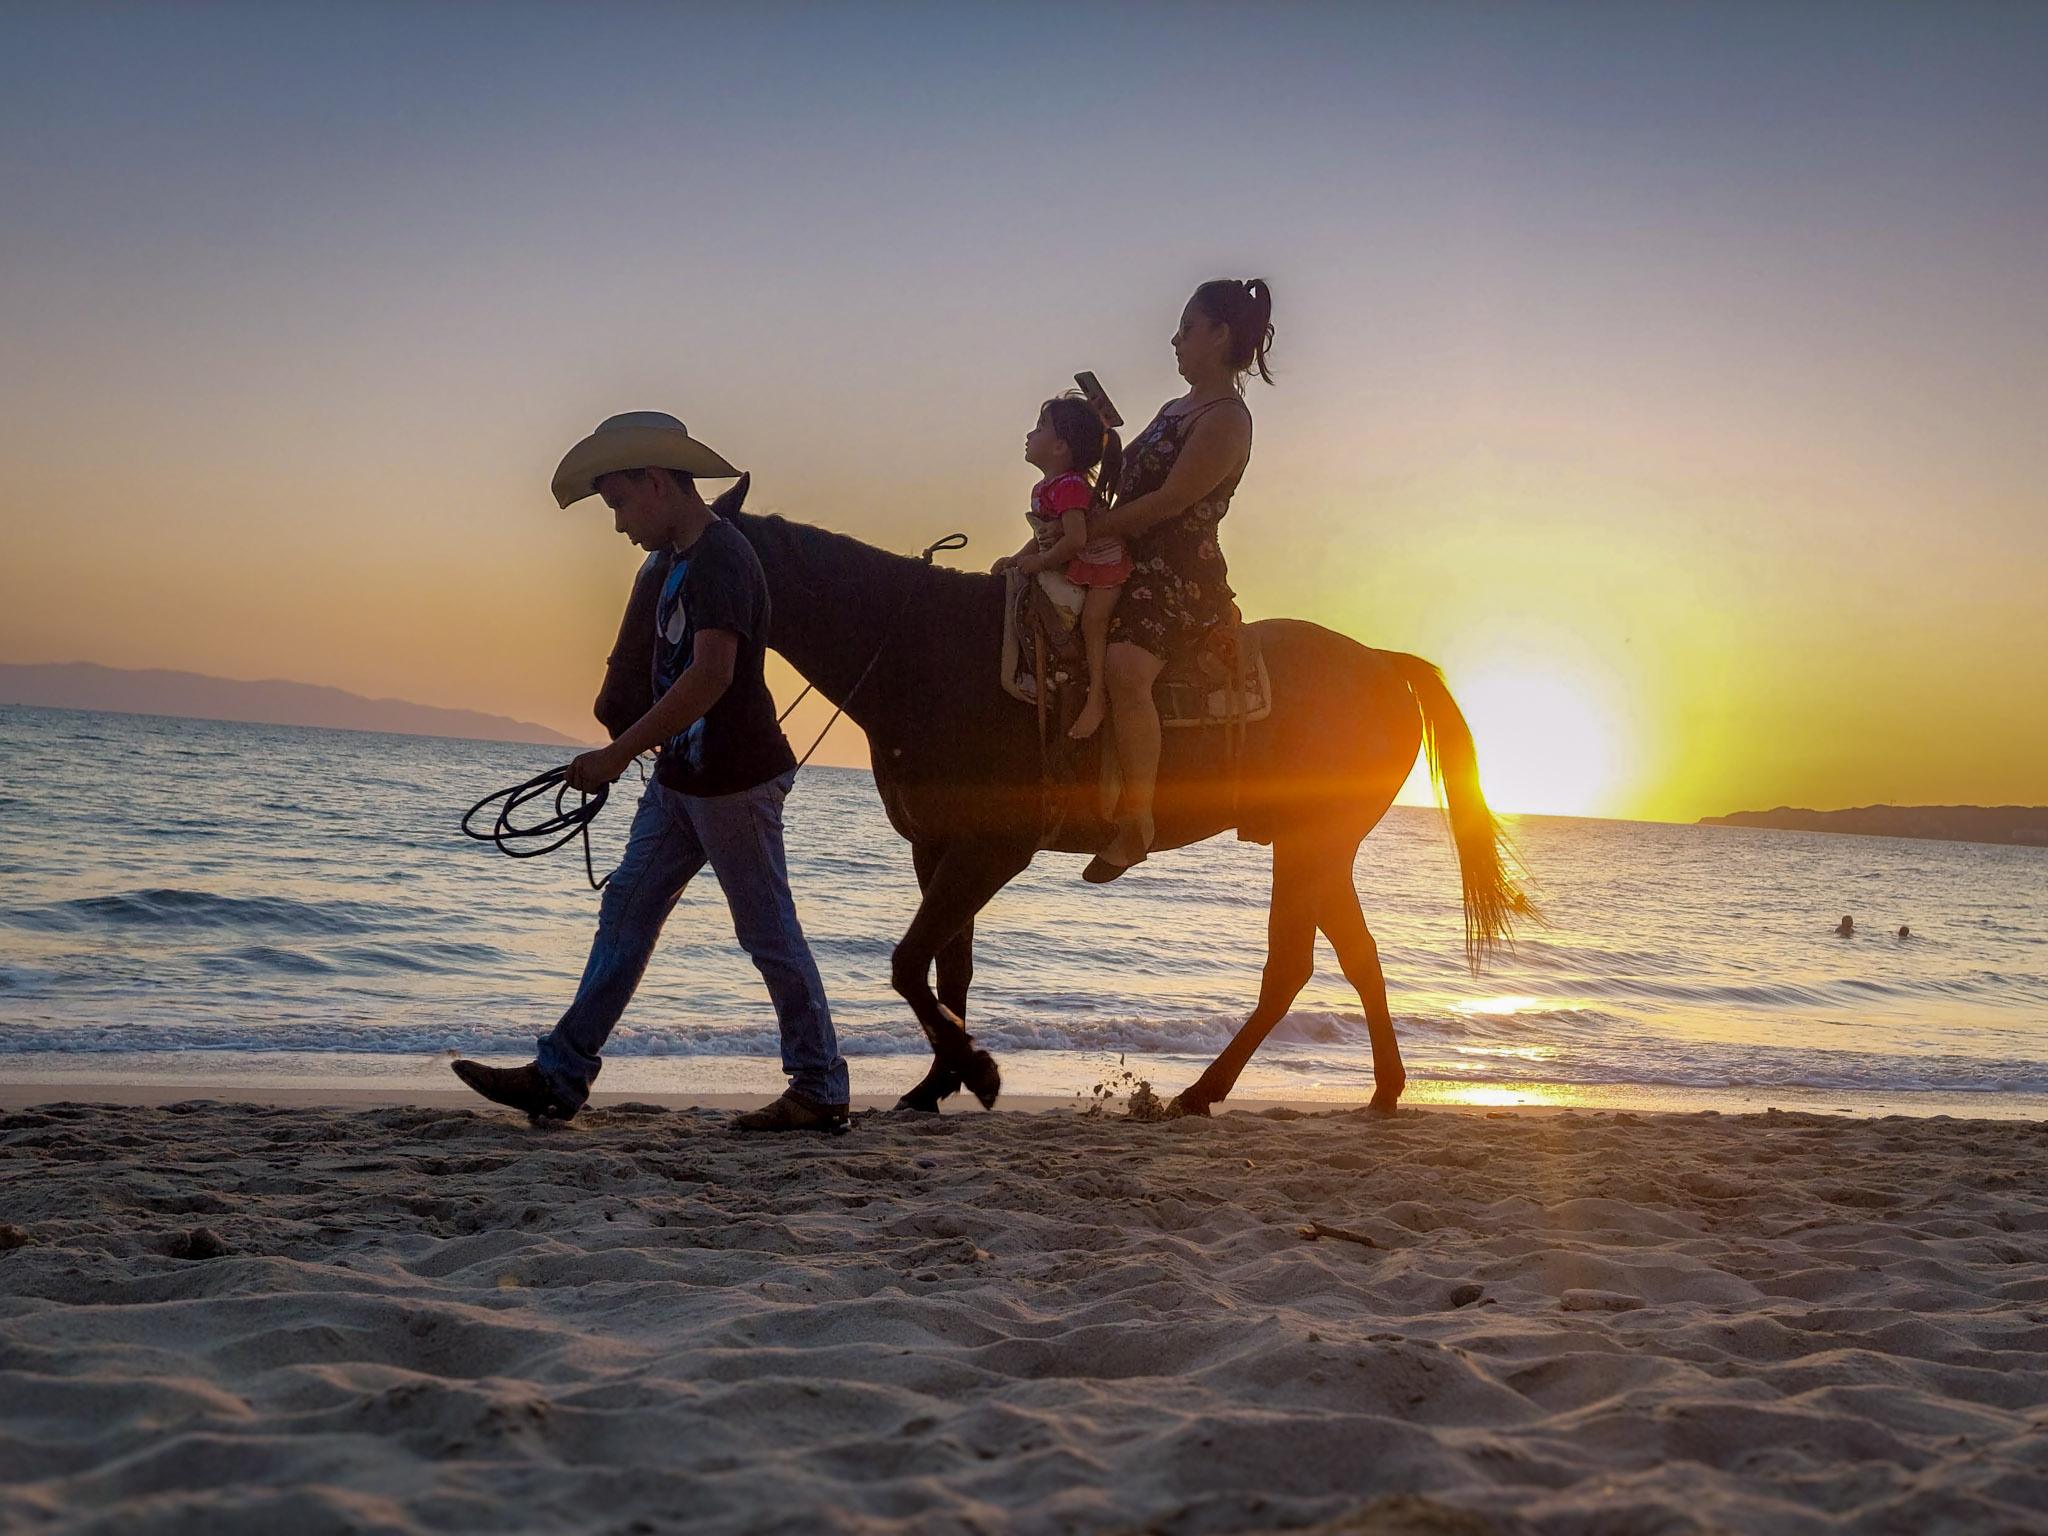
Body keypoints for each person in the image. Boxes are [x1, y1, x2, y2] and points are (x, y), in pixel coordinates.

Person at [451, 412, 850, 1132]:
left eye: (620, 505)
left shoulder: (723, 560)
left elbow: (709, 678)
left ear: (657, 484)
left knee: (768, 933)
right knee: (627, 912)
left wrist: (616, 752)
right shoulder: (677, 563)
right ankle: (560, 1075)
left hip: (734, 780)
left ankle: (820, 1086)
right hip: (683, 780)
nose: (619, 525)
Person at [1081, 278, 1273, 881]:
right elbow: (1123, 479)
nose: (1175, 339)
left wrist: (1095, 528)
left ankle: (1138, 822)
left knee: (1126, 671)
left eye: (1186, 328)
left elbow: (1171, 502)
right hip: (1123, 553)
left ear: (1219, 335)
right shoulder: (1172, 410)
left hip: (1177, 577)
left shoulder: (1227, 419)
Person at [990, 393, 1127, 738]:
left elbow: (1076, 538)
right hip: (1074, 559)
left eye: (1039, 428)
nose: (1029, 435)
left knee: (1094, 623)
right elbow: (1045, 534)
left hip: (1103, 567)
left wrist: (1041, 562)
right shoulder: (1047, 487)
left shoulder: (1069, 487)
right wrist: (1019, 558)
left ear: (1059, 447)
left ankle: (1096, 697)